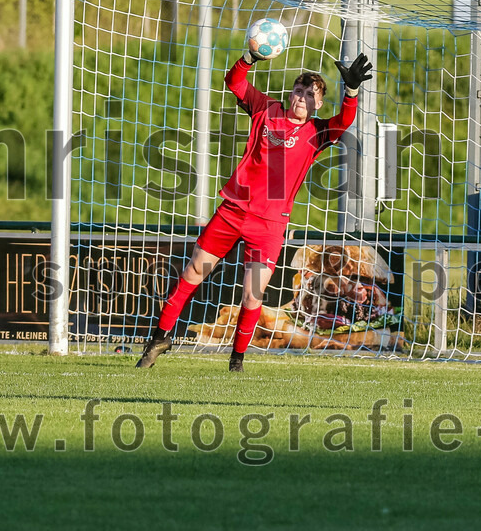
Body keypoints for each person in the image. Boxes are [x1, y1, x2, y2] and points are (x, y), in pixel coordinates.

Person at [136, 44, 373, 372]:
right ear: (291, 94)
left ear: (318, 104)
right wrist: (250, 57)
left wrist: (351, 90)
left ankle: (237, 361)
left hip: (269, 225)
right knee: (193, 273)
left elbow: (345, 120)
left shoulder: (317, 132)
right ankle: (159, 340)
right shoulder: (267, 109)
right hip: (233, 211)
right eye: (299, 90)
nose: (302, 97)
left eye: (310, 94)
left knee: (252, 296)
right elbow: (234, 82)